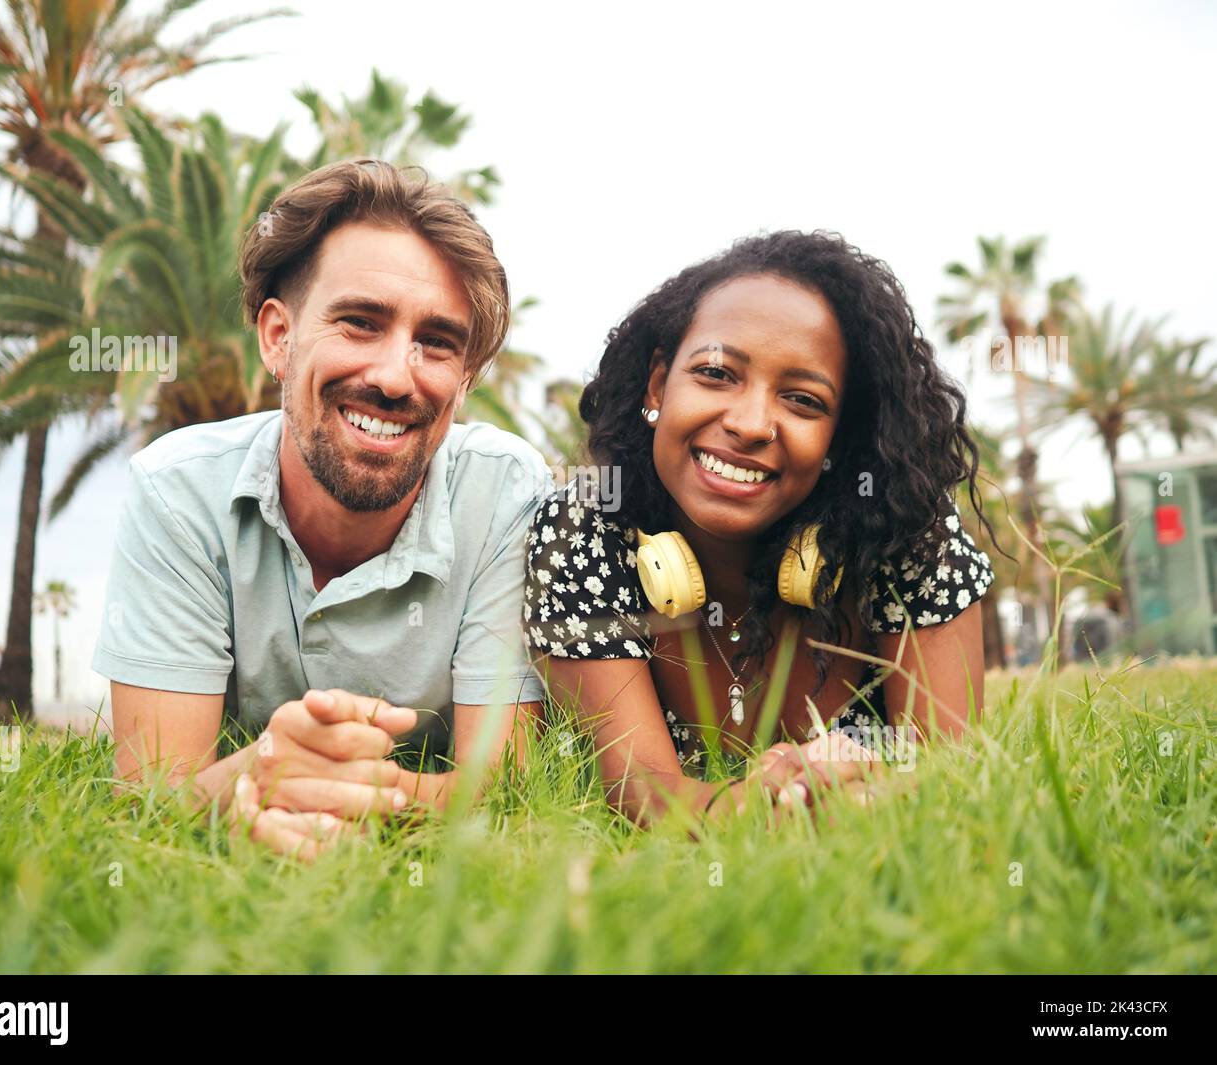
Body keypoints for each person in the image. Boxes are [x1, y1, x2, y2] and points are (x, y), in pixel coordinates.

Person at [94, 159, 551, 860]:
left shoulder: (506, 493)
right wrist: (264, 766)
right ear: (279, 337)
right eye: (361, 323)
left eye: (436, 343)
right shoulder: (177, 490)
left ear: (463, 382)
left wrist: (302, 783)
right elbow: (150, 791)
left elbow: (506, 786)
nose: (397, 376)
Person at [523, 230, 1002, 826]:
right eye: (717, 374)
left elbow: (951, 777)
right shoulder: (585, 528)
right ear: (657, 384)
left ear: (840, 433)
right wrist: (761, 805)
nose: (751, 424)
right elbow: (638, 789)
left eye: (802, 400)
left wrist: (874, 800)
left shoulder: (905, 526)